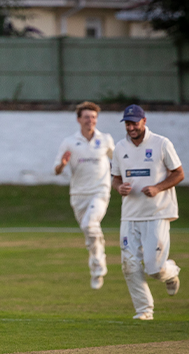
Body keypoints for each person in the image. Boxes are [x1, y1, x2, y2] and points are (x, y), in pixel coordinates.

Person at [111, 104, 184, 321]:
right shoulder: (120, 147)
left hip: (157, 212)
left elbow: (178, 173)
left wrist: (157, 188)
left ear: (144, 121)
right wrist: (119, 187)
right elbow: (116, 177)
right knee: (129, 264)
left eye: (134, 122)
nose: (131, 127)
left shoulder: (161, 143)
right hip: (130, 214)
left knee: (154, 269)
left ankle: (171, 271)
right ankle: (144, 311)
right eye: (128, 123)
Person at [53, 101, 115, 290]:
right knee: (89, 231)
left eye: (94, 117)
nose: (91, 120)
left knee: (90, 224)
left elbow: (119, 161)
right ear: (79, 119)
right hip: (79, 194)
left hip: (100, 191)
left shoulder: (105, 139)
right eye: (87, 117)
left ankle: (98, 267)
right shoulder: (69, 142)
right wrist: (63, 164)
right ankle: (96, 260)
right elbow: (56, 170)